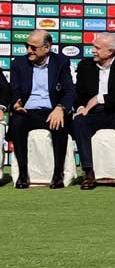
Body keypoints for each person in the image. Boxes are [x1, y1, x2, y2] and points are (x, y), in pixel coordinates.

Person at [9, 30, 74, 189]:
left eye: (33, 47)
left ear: (47, 48)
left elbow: (70, 91)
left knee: (60, 123)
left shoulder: (61, 62)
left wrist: (60, 108)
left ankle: (58, 174)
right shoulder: (18, 63)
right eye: (27, 46)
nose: (29, 50)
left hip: (52, 110)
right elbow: (14, 91)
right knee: (17, 123)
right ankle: (23, 175)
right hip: (27, 112)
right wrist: (16, 104)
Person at [72, 32, 115, 190]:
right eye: (93, 46)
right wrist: (81, 107)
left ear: (110, 52)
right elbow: (78, 94)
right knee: (79, 122)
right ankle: (88, 173)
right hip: (92, 113)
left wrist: (100, 98)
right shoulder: (84, 66)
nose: (93, 50)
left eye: (97, 47)